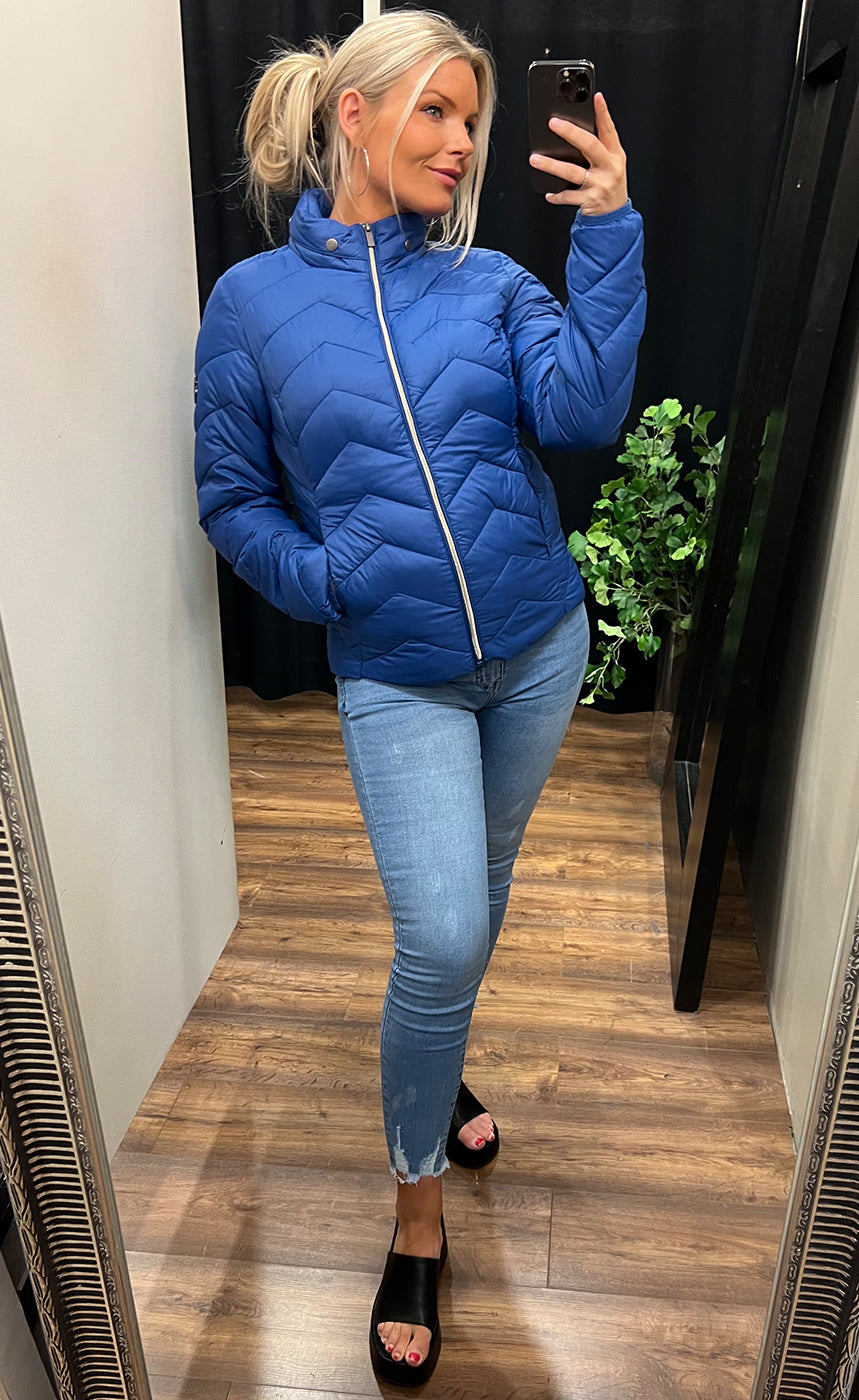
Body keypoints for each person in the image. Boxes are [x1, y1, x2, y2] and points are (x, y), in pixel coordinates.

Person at [194, 8, 645, 1385]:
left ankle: (435, 1071)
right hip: (396, 675)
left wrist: (609, 233)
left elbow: (582, 415)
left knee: (479, 897)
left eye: (473, 119)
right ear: (357, 115)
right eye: (437, 112)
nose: (461, 144)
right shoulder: (251, 306)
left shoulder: (489, 281)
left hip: (537, 646)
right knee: (442, 929)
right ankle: (415, 1213)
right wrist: (327, 579)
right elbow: (233, 496)